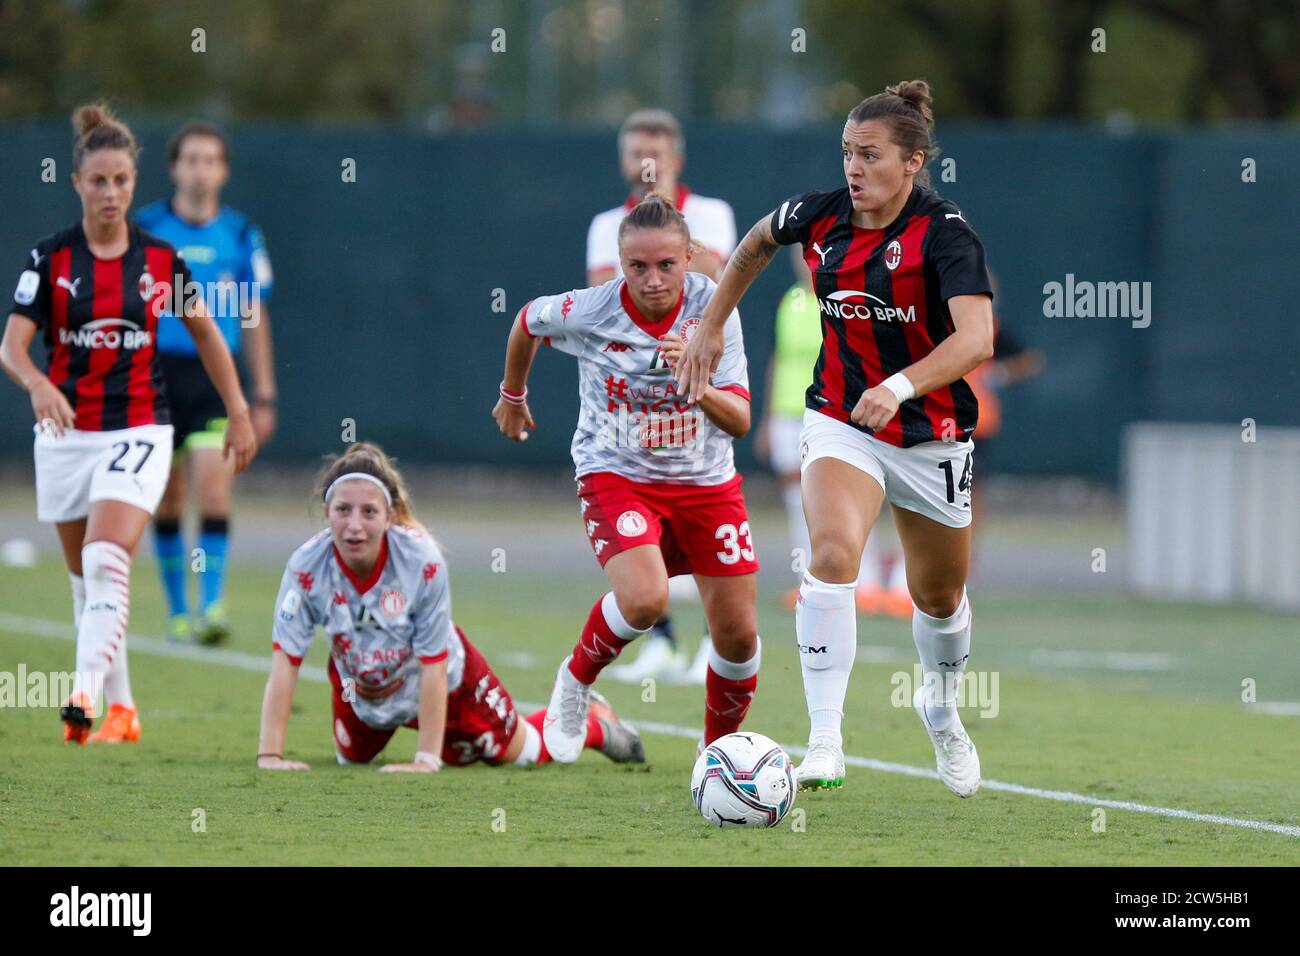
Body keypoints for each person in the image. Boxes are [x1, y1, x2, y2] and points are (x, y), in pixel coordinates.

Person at [676, 80, 994, 797]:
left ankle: (941, 708)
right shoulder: (819, 216)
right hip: (842, 418)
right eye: (847, 152)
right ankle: (824, 741)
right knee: (828, 554)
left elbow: (977, 339)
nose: (853, 168)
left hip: (932, 432)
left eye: (870, 155)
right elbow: (755, 245)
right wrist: (709, 324)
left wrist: (902, 386)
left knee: (938, 597)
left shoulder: (946, 233)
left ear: (912, 162)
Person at [0, 103, 257, 745]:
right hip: (64, 437)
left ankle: (81, 696)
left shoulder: (161, 261)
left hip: (138, 429)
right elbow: (12, 346)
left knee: (107, 557)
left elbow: (208, 336)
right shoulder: (51, 259)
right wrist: (36, 384)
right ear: (77, 183)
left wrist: (241, 411)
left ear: (135, 182)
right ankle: (124, 709)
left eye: (121, 180)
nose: (111, 192)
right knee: (84, 583)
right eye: (98, 181)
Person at [493, 194, 761, 763]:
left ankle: (715, 758)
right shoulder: (593, 309)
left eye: (667, 264)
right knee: (644, 600)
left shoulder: (715, 312)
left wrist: (695, 379)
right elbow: (525, 321)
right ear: (620, 263)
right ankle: (575, 682)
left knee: (737, 637)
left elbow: (739, 420)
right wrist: (513, 395)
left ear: (690, 256)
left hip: (706, 483)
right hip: (617, 472)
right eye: (637, 266)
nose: (653, 279)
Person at [256, 443, 644, 771]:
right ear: (326, 512)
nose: (355, 526)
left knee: (518, 754)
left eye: (369, 512)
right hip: (365, 690)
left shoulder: (419, 561)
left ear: (389, 515)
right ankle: (439, 742)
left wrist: (425, 759)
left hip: (448, 681)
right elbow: (286, 660)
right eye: (343, 510)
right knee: (352, 761)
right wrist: (270, 755)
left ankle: (593, 724)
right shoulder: (306, 567)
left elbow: (433, 664)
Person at [586, 109, 739, 686]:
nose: (645, 166)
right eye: (635, 154)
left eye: (656, 154)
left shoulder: (711, 213)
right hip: (633, 394)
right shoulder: (606, 224)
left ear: (676, 158)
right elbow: (606, 293)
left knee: (702, 513)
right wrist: (667, 256)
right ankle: (661, 640)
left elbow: (718, 275)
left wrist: (667, 235)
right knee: (644, 520)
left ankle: (710, 642)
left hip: (700, 384)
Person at [135, 122, 278, 645]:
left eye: (210, 160)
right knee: (169, 500)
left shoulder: (240, 235)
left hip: (214, 379)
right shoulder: (145, 228)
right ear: (173, 167)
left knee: (214, 492)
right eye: (190, 159)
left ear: (223, 171)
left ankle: (212, 606)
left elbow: (253, 315)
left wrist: (263, 393)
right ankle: (178, 611)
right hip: (154, 376)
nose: (200, 169)